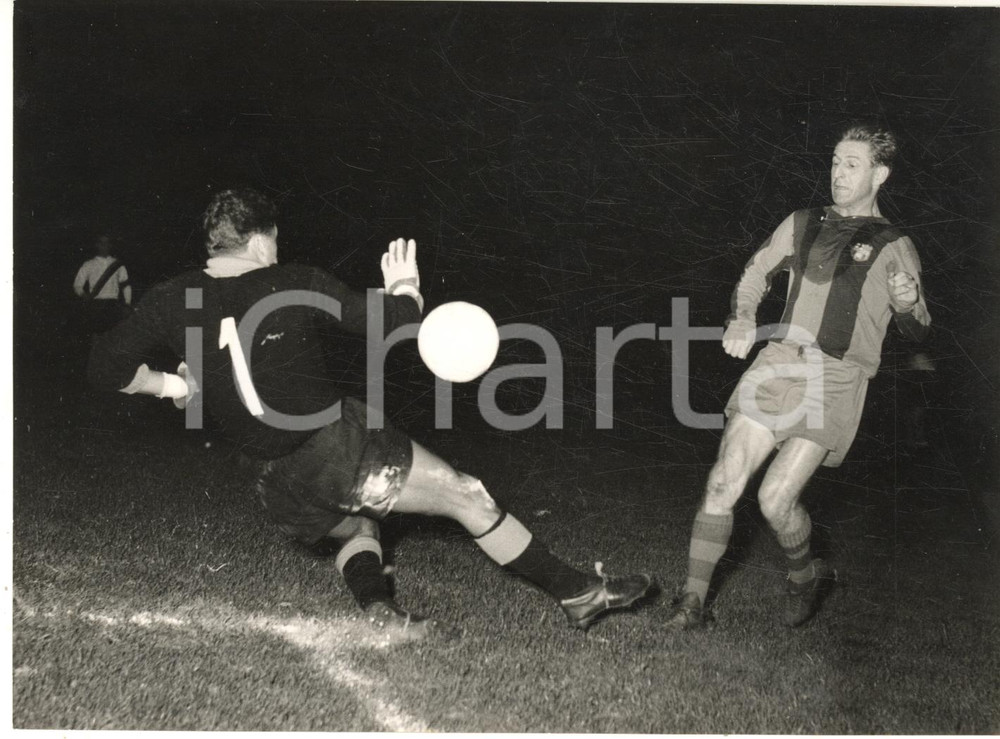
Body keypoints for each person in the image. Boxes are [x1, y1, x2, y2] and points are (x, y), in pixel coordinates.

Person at [88, 188, 651, 642]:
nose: (276, 251)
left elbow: (104, 365)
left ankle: (380, 612)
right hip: (330, 447)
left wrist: (168, 384)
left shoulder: (171, 297)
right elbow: (396, 323)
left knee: (357, 525)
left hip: (267, 476)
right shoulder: (293, 280)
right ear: (259, 240)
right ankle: (578, 592)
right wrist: (406, 290)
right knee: (467, 494)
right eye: (274, 240)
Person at [666, 124, 931, 630]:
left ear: (880, 174)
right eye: (834, 161)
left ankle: (806, 573)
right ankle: (691, 604)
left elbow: (918, 332)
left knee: (774, 500)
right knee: (723, 480)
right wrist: (743, 317)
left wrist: (908, 303)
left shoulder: (895, 244)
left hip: (836, 377)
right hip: (779, 360)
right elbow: (754, 273)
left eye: (851, 164)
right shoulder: (803, 222)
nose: (837, 173)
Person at [73, 234, 132, 334]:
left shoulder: (117, 264)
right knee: (98, 335)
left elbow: (126, 285)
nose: (104, 246)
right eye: (101, 243)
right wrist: (84, 295)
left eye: (107, 243)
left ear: (110, 246)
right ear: (97, 245)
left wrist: (127, 304)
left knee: (115, 336)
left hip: (113, 305)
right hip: (96, 306)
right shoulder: (88, 264)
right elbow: (77, 285)